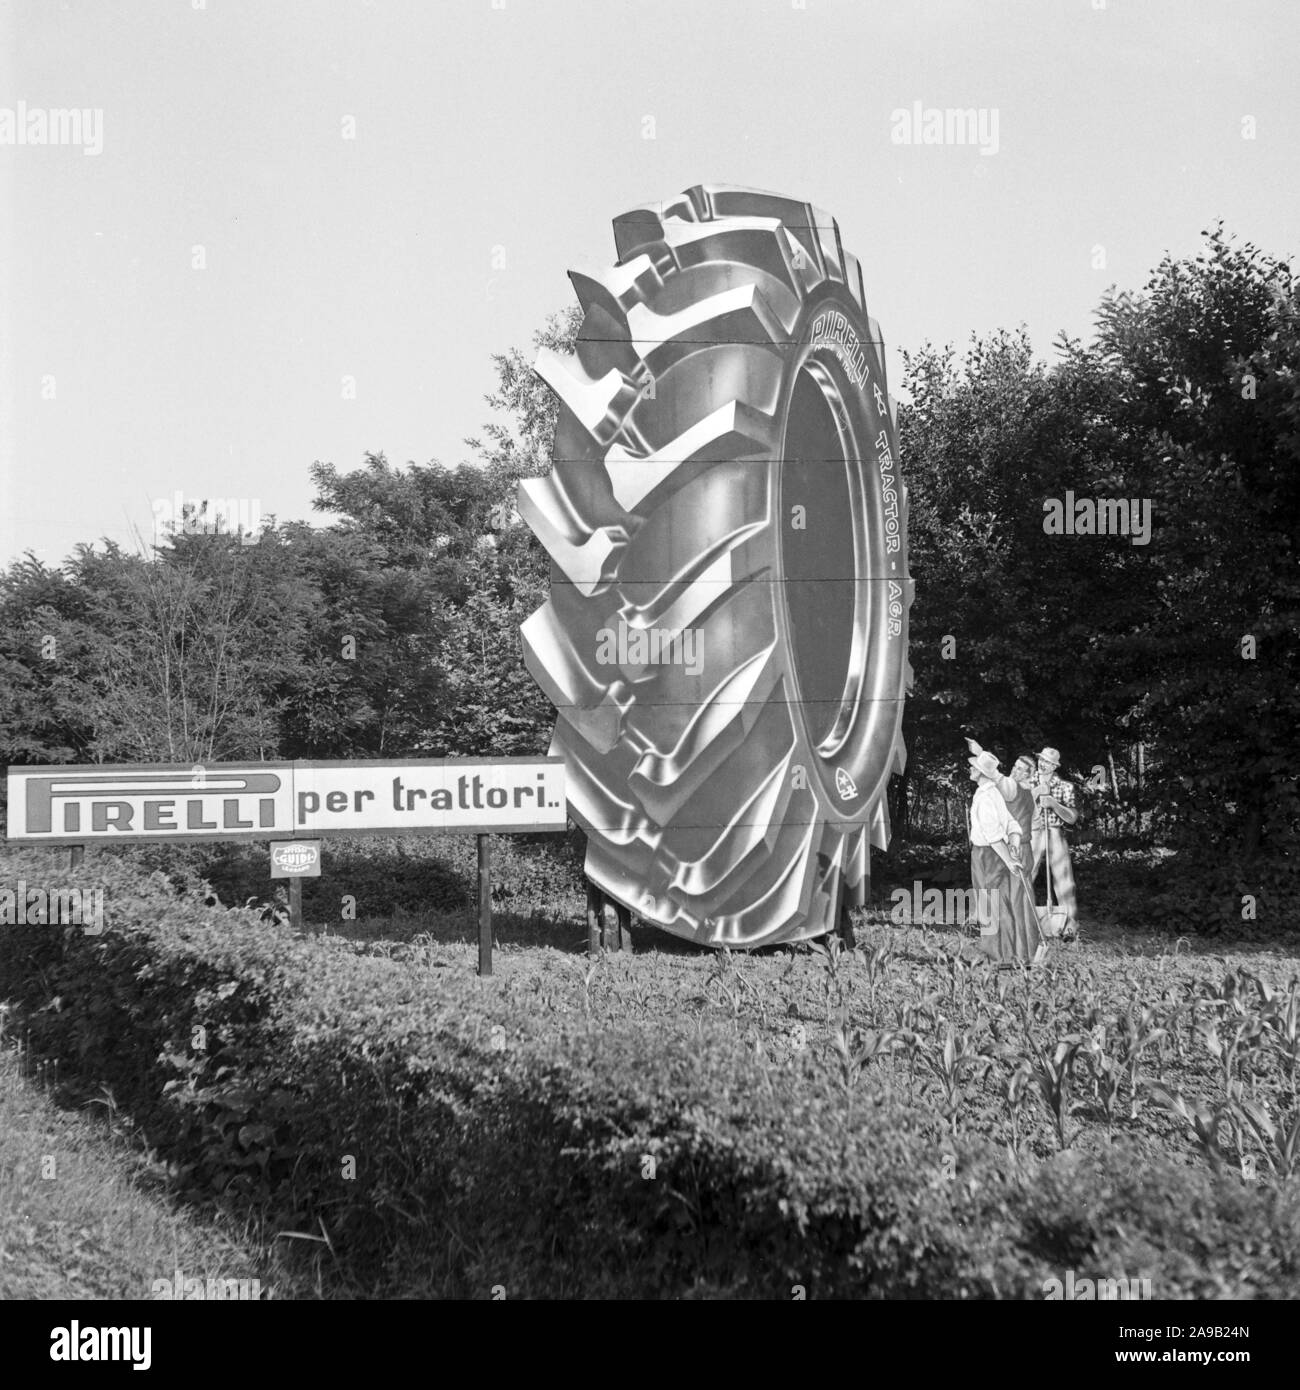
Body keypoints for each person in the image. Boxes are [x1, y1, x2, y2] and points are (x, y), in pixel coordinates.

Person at [965, 748, 1045, 965]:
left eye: (974, 767)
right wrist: (1015, 844)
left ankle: (1001, 956)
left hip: (989, 854)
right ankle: (1011, 954)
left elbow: (993, 834)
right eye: (1015, 768)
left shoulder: (993, 794)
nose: (970, 769)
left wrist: (1010, 857)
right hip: (1005, 850)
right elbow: (1014, 823)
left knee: (994, 904)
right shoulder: (993, 793)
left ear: (982, 773)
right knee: (1005, 904)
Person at [1031, 746, 1078, 941]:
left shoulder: (1065, 787)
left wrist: (1053, 804)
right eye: (1041, 760)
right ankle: (1022, 926)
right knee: (1024, 877)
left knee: (1064, 882)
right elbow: (1015, 804)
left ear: (1055, 766)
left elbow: (1072, 817)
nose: (1043, 764)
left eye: (1048, 762)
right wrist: (1035, 793)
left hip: (1055, 833)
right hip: (1032, 833)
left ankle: (1070, 931)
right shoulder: (1026, 781)